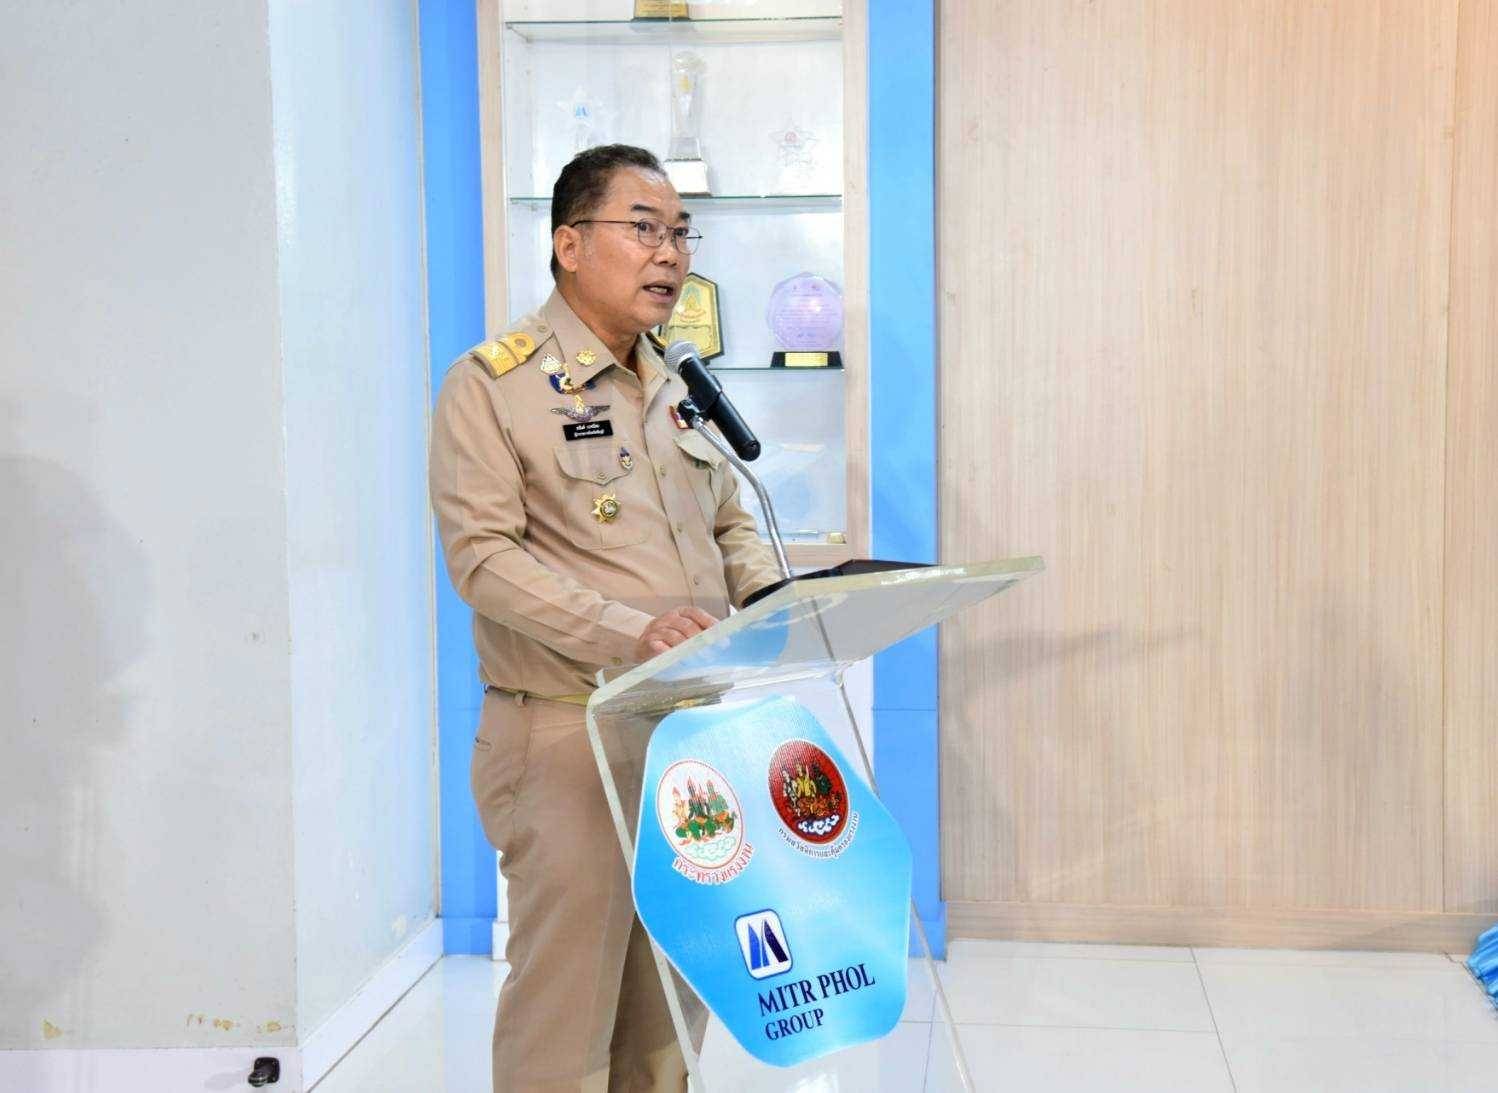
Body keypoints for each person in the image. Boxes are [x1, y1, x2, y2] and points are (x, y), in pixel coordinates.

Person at [429, 144, 781, 1092]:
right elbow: (482, 559)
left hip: (688, 732)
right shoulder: (492, 386)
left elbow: (728, 519)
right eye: (644, 229)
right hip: (567, 731)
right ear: (571, 245)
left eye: (681, 233)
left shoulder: (675, 382)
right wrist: (630, 632)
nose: (671, 253)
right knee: (567, 1016)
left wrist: (767, 595)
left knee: (672, 1004)